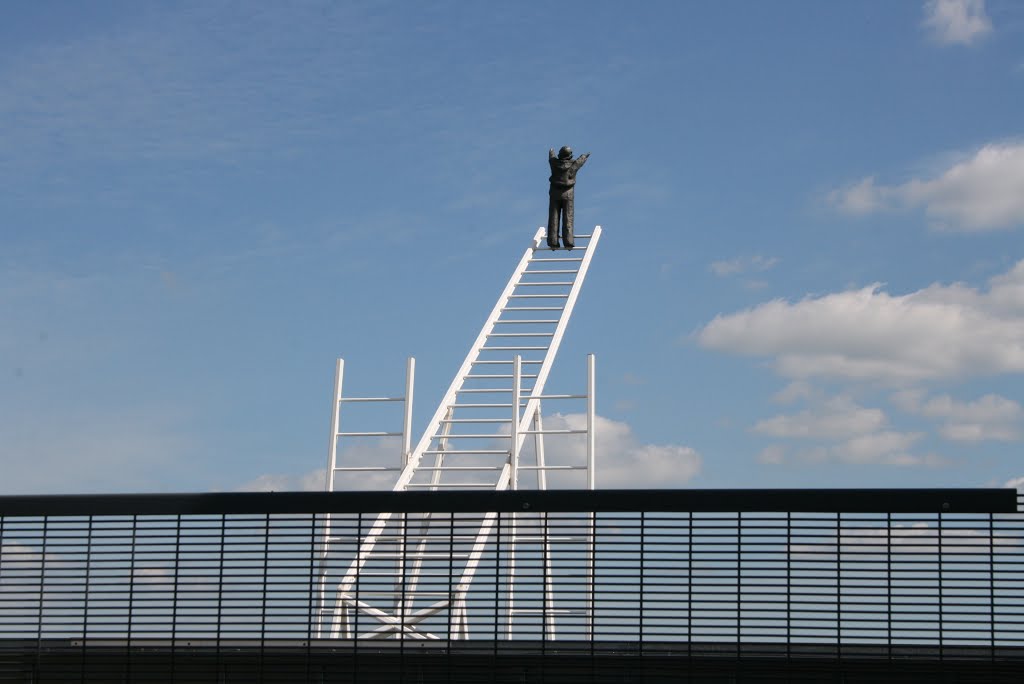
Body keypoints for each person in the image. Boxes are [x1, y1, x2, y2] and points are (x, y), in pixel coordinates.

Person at [547, 146, 590, 249]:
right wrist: (585, 155)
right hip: (568, 194)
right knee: (568, 217)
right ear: (570, 156)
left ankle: (553, 241)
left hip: (554, 194)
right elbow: (580, 161)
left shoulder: (554, 163)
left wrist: (551, 151)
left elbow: (551, 156)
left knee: (553, 217)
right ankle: (568, 242)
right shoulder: (573, 165)